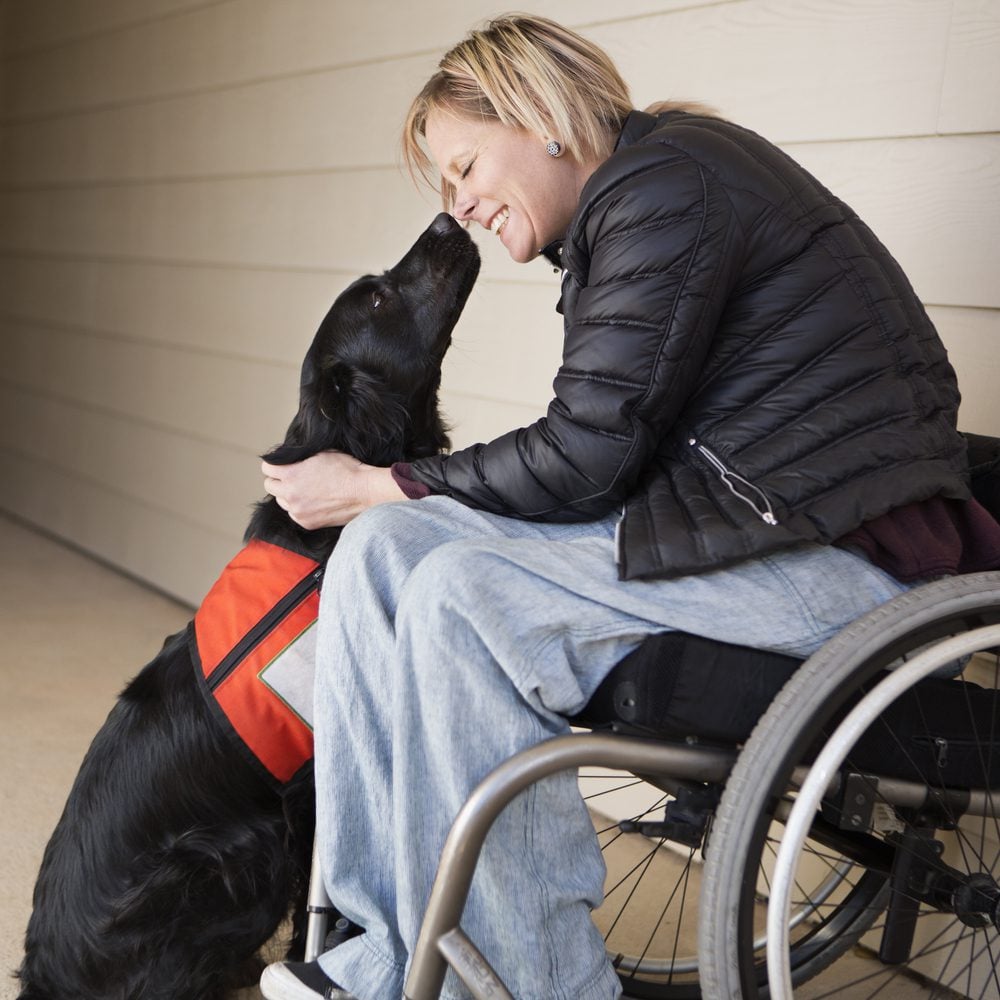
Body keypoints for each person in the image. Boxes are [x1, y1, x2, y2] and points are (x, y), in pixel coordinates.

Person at [258, 14, 1000, 1000]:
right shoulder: (642, 198)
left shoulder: (667, 188)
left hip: (843, 568)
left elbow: (585, 454)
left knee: (455, 589)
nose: (461, 203)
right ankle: (387, 952)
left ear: (538, 119)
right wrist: (388, 505)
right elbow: (605, 451)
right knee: (384, 550)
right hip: (743, 536)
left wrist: (381, 477)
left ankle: (545, 985)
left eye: (468, 166)